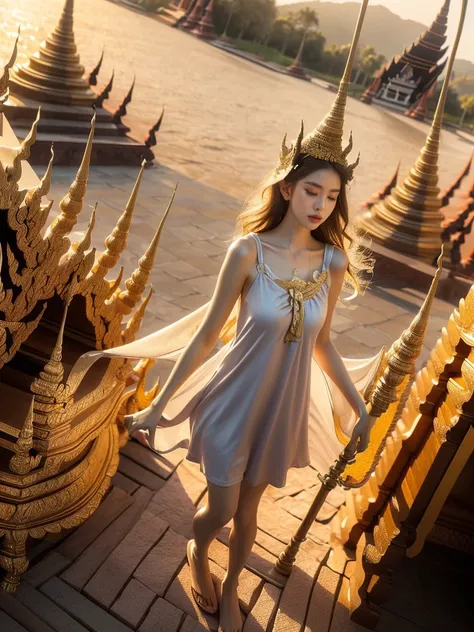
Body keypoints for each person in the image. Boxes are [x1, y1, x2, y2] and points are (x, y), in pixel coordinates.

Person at [78, 4, 375, 630]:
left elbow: (321, 345)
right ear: (288, 187)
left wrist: (360, 406)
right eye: (311, 190)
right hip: (235, 397)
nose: (321, 204)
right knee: (219, 509)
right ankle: (197, 550)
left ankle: (234, 586)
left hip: (283, 404)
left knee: (253, 512)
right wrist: (161, 406)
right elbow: (211, 331)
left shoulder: (335, 262)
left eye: (332, 195)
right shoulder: (248, 252)